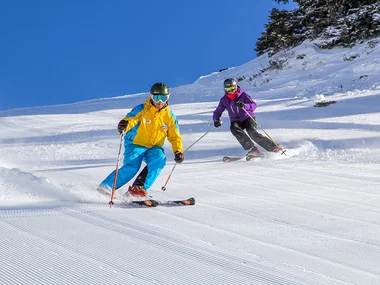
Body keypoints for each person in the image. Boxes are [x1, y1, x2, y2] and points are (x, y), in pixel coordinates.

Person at [97, 82, 184, 197]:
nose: (160, 102)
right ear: (151, 97)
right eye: (156, 97)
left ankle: (138, 188)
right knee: (132, 166)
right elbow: (131, 119)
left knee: (159, 159)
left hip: (154, 147)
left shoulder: (170, 117)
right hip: (135, 144)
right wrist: (124, 125)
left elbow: (175, 136)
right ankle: (106, 187)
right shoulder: (142, 109)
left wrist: (178, 150)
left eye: (163, 98)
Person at [213, 78, 282, 155]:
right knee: (234, 128)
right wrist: (216, 120)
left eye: (232, 88)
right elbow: (217, 111)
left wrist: (244, 106)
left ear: (235, 87)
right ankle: (253, 149)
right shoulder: (224, 100)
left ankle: (273, 147)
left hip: (248, 118)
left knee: (252, 133)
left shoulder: (243, 95)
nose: (230, 91)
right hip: (236, 121)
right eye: (228, 89)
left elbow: (253, 105)